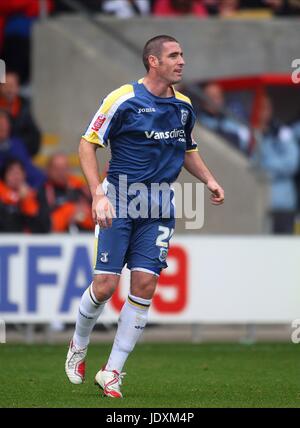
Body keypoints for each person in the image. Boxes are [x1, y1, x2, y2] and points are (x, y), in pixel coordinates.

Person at [65, 35, 224, 398]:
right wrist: (97, 194)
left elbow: (187, 149)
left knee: (145, 287)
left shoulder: (184, 107)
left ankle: (112, 372)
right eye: (173, 55)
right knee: (105, 287)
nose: (181, 61)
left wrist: (210, 180)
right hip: (119, 201)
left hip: (157, 208)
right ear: (153, 62)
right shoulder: (123, 99)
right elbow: (87, 143)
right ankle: (78, 345)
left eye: (182, 54)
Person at [253, 95, 299, 234]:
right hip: (255, 205)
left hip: (282, 204)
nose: (263, 112)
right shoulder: (246, 132)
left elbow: (291, 163)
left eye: (266, 108)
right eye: (259, 108)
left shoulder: (282, 133)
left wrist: (265, 166)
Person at [43, 153, 94, 233]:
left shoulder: (81, 189)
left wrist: (83, 217)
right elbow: (44, 225)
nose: (61, 172)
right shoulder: (42, 192)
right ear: (48, 170)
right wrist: (69, 212)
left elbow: (95, 220)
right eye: (57, 169)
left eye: (64, 168)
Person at [199, 82, 250, 153]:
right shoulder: (198, 122)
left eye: (217, 97)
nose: (214, 101)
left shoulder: (230, 120)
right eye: (211, 97)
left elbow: (244, 142)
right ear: (202, 99)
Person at [0, 158, 50, 232]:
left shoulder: (36, 196)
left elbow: (43, 227)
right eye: (12, 173)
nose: (16, 177)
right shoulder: (2, 197)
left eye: (19, 173)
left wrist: (26, 201)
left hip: (26, 241)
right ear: (5, 175)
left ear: (24, 175)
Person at [0, 109, 45, 188]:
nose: (4, 127)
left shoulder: (17, 144)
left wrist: (30, 188)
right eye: (1, 124)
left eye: (6, 124)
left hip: (24, 189)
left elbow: (30, 169)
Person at [0, 71, 41, 157]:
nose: (9, 90)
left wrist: (16, 145)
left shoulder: (24, 108)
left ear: (18, 87)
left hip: (18, 155)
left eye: (12, 86)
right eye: (6, 86)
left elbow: (34, 137)